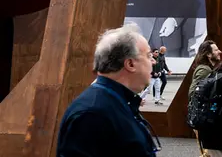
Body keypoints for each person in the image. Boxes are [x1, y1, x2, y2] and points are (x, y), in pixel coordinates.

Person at [57, 25, 160, 157]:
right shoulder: (92, 114)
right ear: (130, 64)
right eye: (148, 55)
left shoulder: (117, 102)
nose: (153, 61)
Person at [188, 40, 222, 157]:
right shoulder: (205, 70)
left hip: (203, 118)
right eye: (216, 50)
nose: (220, 52)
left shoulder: (207, 69)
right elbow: (193, 92)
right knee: (208, 153)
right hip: (202, 118)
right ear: (208, 54)